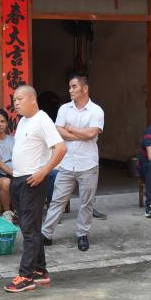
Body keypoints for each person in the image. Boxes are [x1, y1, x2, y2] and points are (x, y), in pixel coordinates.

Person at [5, 86, 66, 293]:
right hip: (18, 179)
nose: (16, 103)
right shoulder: (23, 121)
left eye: (20, 99)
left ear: (32, 99)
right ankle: (40, 271)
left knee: (30, 230)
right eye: (14, 99)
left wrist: (44, 171)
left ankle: (26, 276)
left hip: (33, 180)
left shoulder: (42, 119)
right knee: (29, 228)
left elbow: (61, 148)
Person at [42, 75, 105, 252]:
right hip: (67, 162)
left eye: (74, 86)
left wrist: (69, 128)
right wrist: (81, 134)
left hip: (88, 163)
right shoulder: (64, 108)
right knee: (57, 200)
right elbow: (58, 131)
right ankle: (46, 234)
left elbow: (91, 134)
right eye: (69, 87)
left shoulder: (96, 110)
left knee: (87, 202)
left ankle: (82, 234)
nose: (70, 90)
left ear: (85, 89)